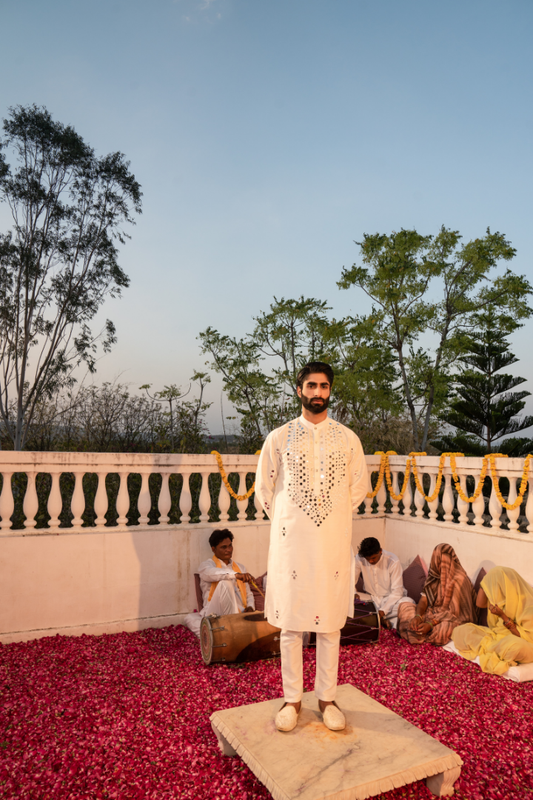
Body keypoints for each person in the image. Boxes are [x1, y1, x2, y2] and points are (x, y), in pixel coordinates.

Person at [255, 362, 369, 733]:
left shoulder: (348, 439)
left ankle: (327, 699)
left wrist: (330, 519)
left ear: (330, 391)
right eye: (311, 386)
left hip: (332, 544)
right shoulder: (280, 437)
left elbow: (357, 489)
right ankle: (292, 700)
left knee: (330, 624)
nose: (317, 392)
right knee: (290, 623)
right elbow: (265, 491)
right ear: (299, 389)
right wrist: (294, 523)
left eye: (323, 386)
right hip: (292, 546)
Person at [452, 566, 533, 675]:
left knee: (513, 646)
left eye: (495, 586)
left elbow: (525, 637)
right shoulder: (499, 600)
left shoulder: (528, 605)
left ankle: (491, 648)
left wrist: (503, 616)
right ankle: (493, 649)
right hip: (497, 637)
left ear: (505, 585)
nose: (493, 590)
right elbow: (479, 604)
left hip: (523, 644)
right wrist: (485, 582)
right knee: (461, 630)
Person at [397, 543, 476, 646]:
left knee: (444, 630)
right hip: (432, 613)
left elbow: (456, 613)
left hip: (453, 618)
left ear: (451, 560)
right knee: (405, 606)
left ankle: (417, 633)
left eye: (444, 562)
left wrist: (431, 624)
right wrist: (418, 616)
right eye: (438, 561)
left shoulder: (460, 579)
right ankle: (419, 631)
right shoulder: (434, 576)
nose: (441, 565)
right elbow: (424, 600)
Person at [183, 529, 255, 637]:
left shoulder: (240, 567)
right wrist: (235, 575)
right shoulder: (206, 566)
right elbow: (216, 573)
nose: (228, 550)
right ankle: (234, 628)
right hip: (215, 612)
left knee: (193, 619)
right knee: (225, 583)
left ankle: (220, 632)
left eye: (230, 546)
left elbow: (248, 594)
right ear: (213, 549)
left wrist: (250, 607)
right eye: (223, 547)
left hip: (241, 611)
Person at [354, 537, 414, 630]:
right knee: (347, 601)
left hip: (391, 600)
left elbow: (397, 592)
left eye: (373, 558)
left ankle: (376, 618)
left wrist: (382, 612)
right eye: (368, 559)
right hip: (371, 599)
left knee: (408, 603)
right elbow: (350, 581)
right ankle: (381, 620)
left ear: (380, 551)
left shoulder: (393, 561)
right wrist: (354, 594)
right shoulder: (359, 558)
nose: (371, 561)